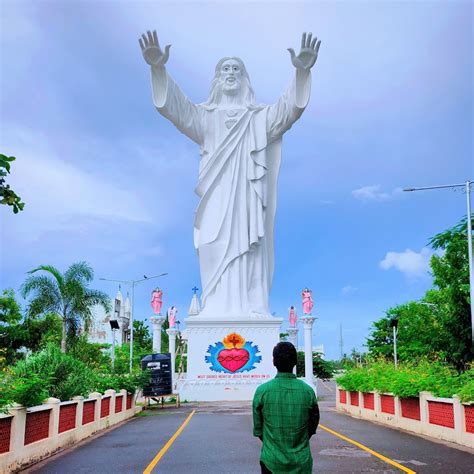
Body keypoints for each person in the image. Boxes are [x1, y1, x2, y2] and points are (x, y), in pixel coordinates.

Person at [139, 30, 321, 319]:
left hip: (247, 197)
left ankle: (250, 307)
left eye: (236, 69)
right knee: (210, 244)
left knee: (249, 247)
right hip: (215, 195)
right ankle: (215, 307)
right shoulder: (205, 116)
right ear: (217, 78)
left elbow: (288, 111)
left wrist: (301, 73)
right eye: (225, 69)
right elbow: (175, 108)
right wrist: (158, 68)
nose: (231, 73)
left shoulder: (258, 117)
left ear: (245, 77)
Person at [253, 342, 319, 473]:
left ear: (274, 362)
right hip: (301, 462)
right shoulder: (308, 391)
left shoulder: (262, 391)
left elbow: (258, 430)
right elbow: (312, 425)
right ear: (295, 362)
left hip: (271, 462)